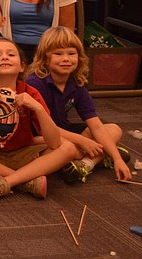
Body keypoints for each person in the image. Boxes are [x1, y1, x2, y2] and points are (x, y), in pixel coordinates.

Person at [0, 38, 76, 202]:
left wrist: (37, 108)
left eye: (11, 54)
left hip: (24, 153)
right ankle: (26, 180)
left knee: (68, 148)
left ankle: (7, 181)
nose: (4, 57)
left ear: (21, 66)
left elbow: (54, 142)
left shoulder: (30, 92)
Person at [26, 27, 131, 183]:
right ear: (45, 58)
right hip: (38, 136)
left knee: (114, 130)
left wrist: (117, 159)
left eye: (71, 53)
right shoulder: (35, 83)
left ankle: (86, 164)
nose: (66, 59)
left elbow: (95, 125)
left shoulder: (77, 83)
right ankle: (98, 156)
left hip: (64, 130)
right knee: (69, 146)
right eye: (58, 54)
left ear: (79, 56)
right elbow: (42, 128)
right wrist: (82, 141)